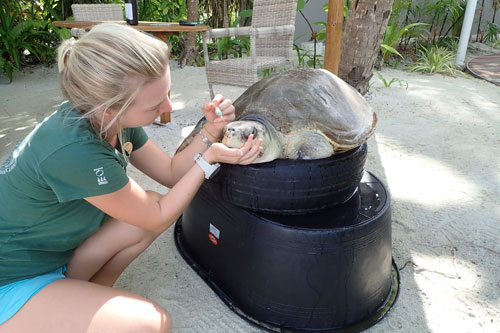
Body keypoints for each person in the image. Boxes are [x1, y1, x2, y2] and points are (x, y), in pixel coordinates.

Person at [0, 22, 262, 332]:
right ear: (110, 108)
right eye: (156, 104)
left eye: (167, 93)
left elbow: (169, 172)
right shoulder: (74, 149)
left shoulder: (108, 116)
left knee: (144, 209)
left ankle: (84, 299)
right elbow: (158, 217)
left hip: (55, 253)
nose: (167, 108)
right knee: (154, 324)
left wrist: (210, 131)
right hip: (13, 279)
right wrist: (209, 159)